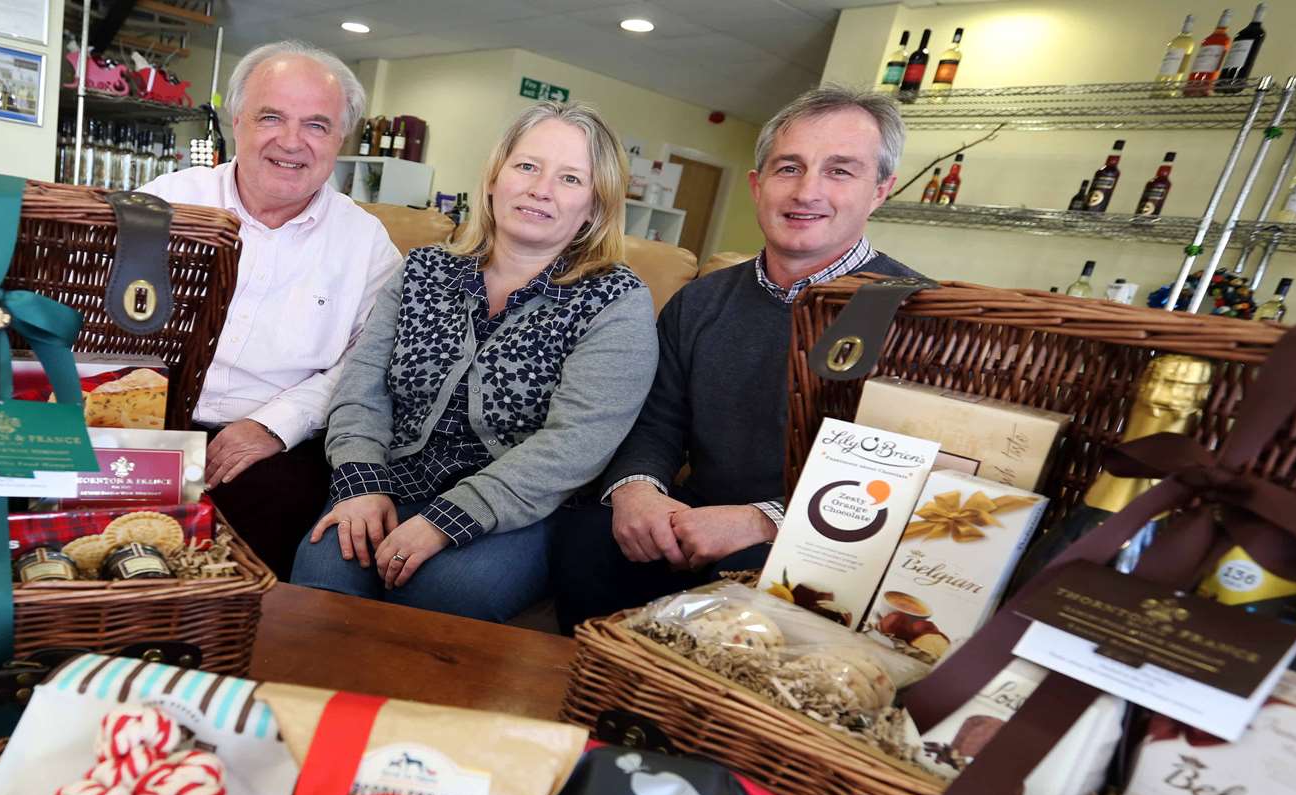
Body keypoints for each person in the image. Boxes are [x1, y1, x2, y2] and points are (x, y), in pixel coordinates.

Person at [552, 85, 921, 632]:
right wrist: (637, 491)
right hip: (688, 518)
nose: (807, 191)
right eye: (788, 167)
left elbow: (905, 476)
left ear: (880, 191)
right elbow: (655, 420)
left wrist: (762, 521)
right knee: (586, 541)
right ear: (757, 184)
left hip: (822, 541)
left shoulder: (917, 315)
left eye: (840, 171)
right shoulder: (701, 300)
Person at [290, 101, 658, 623]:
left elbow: (578, 440)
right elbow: (361, 387)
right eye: (527, 166)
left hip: (517, 508)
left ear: (595, 208)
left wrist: (449, 519)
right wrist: (359, 481)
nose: (540, 188)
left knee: (444, 593)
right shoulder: (423, 269)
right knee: (322, 578)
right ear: (494, 179)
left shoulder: (616, 298)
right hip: (391, 480)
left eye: (570, 178)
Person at [140, 41, 401, 579]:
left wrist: (273, 424)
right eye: (271, 117)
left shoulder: (367, 244)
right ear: (238, 122)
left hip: (273, 442)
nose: (291, 141)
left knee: (262, 536)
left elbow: (363, 365)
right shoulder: (166, 203)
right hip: (147, 419)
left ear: (339, 139)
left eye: (316, 125)